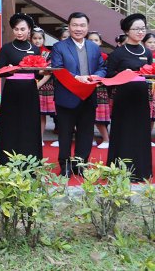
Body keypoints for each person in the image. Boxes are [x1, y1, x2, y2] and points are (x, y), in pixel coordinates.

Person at [51, 12, 106, 176]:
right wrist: (77, 77)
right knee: (65, 133)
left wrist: (96, 76)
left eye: (82, 25)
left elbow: (102, 68)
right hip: (66, 97)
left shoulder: (94, 47)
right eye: (74, 25)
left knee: (86, 133)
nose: (78, 29)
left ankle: (81, 164)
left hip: (88, 96)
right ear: (69, 26)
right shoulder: (59, 47)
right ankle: (65, 165)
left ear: (87, 27)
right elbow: (57, 69)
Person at [106, 13, 152, 181]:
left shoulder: (147, 52)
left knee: (141, 132)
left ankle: (141, 171)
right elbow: (109, 75)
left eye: (143, 28)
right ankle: (121, 171)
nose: (140, 32)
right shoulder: (118, 53)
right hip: (124, 98)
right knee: (124, 133)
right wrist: (122, 74)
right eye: (136, 29)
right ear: (126, 31)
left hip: (141, 97)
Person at [0, 13, 42, 164]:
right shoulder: (6, 49)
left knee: (29, 125)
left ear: (29, 30)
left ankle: (30, 161)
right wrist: (9, 70)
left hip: (30, 91)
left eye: (23, 29)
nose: (19, 32)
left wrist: (45, 71)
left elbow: (37, 73)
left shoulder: (35, 49)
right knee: (10, 125)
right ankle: (6, 161)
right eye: (16, 29)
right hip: (12, 91)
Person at [31, 27, 56, 142]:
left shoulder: (48, 54)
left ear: (44, 40)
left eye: (40, 38)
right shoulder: (28, 52)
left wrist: (38, 84)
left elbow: (48, 72)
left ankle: (39, 139)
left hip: (44, 86)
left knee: (41, 115)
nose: (37, 41)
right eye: (34, 38)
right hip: (29, 83)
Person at [86, 31, 110, 149]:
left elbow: (106, 72)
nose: (93, 42)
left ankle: (106, 139)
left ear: (100, 42)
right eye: (90, 40)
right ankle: (91, 138)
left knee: (99, 117)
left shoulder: (104, 56)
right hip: (85, 86)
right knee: (86, 115)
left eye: (96, 40)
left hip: (99, 88)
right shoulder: (83, 54)